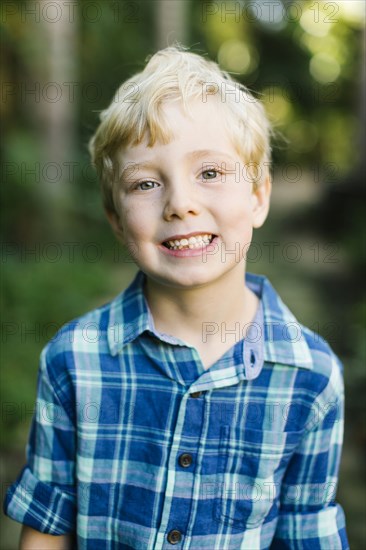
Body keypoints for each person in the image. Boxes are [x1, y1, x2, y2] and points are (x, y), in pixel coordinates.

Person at [4, 45, 349, 550]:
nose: (181, 204)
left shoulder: (312, 376)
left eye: (209, 173)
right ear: (118, 222)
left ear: (258, 196)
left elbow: (308, 534)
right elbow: (46, 532)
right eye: (146, 183)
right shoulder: (73, 361)